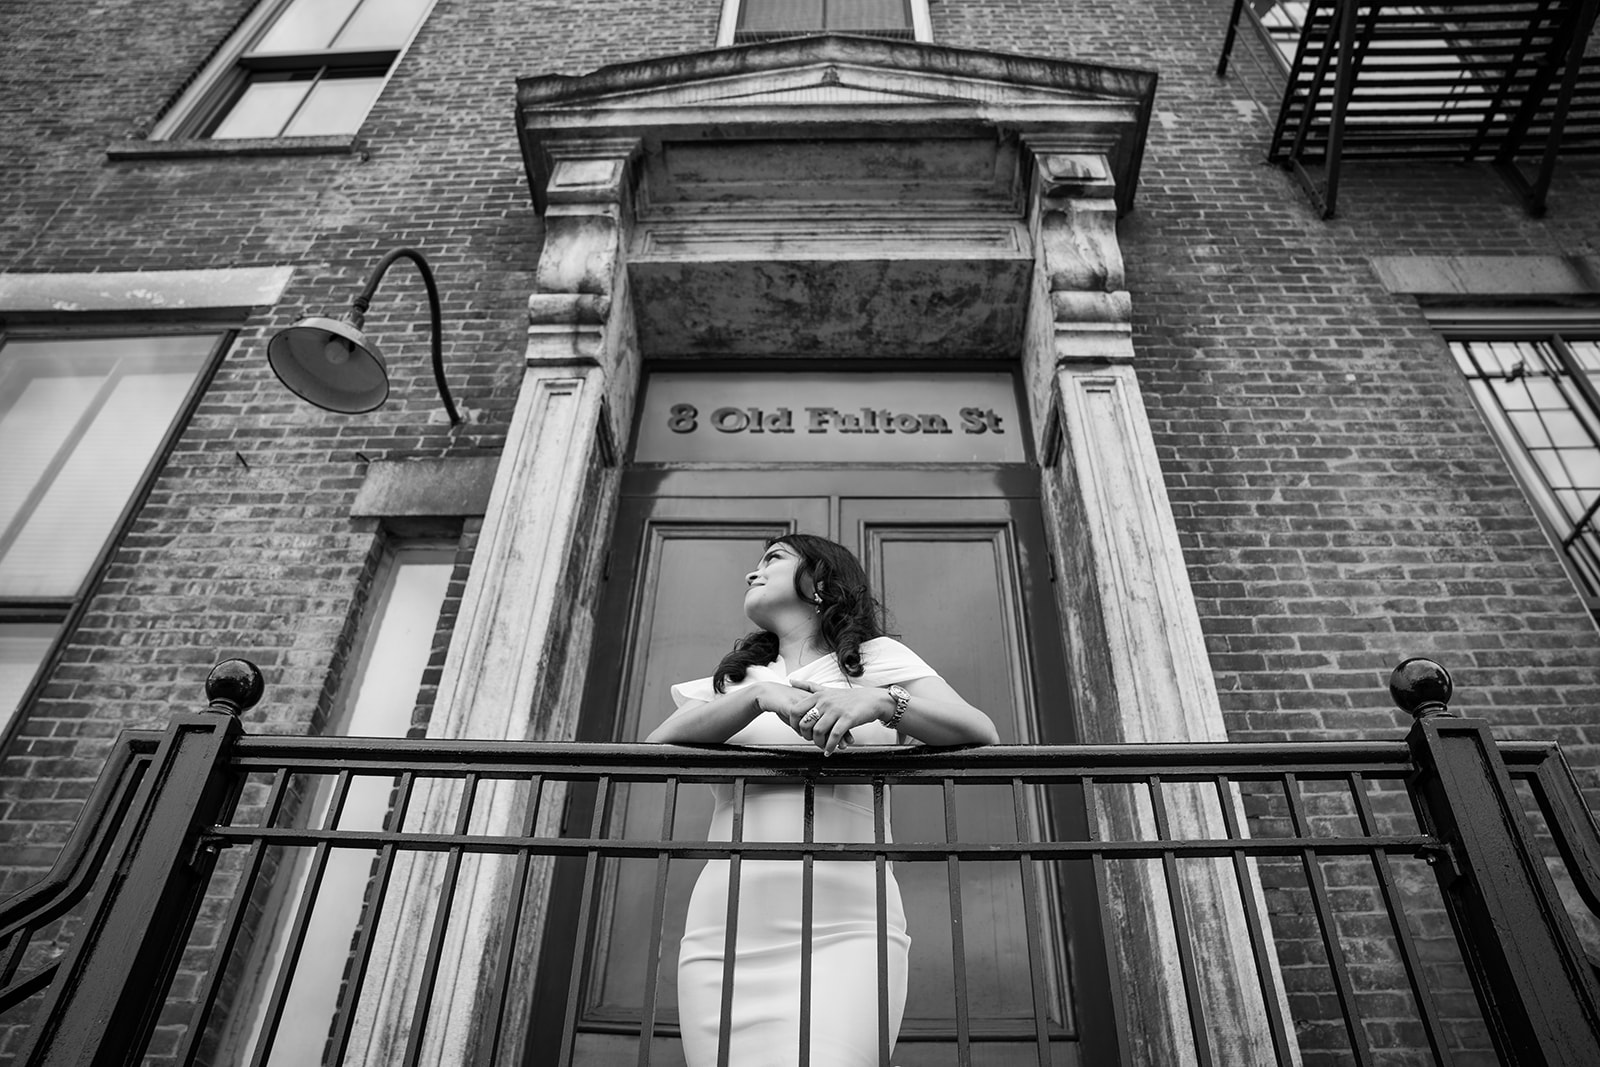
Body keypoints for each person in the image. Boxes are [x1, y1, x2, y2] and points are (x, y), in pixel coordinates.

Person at [647, 534, 998, 1066]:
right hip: (728, 929)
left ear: (820, 580)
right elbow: (655, 752)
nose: (752, 573)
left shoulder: (877, 661)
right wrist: (758, 698)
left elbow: (979, 731)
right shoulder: (734, 683)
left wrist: (883, 702)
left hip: (848, 924)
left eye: (773, 559)